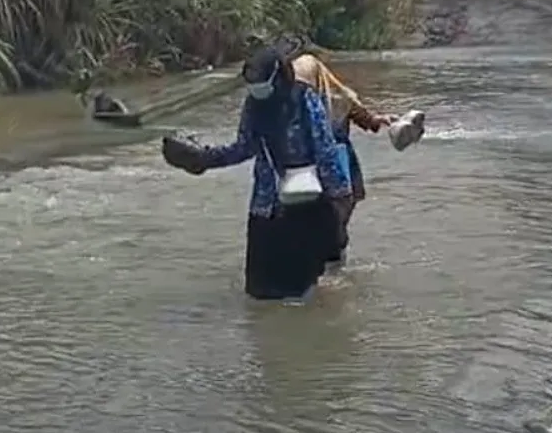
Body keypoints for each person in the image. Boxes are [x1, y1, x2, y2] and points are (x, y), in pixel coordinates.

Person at [162, 47, 353, 301]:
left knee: (304, 291)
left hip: (307, 199)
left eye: (261, 83)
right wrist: (205, 159)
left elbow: (324, 148)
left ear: (278, 76)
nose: (256, 89)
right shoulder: (254, 106)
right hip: (268, 203)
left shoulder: (303, 99)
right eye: (251, 84)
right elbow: (245, 147)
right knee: (262, 292)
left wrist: (340, 192)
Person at [289, 54, 394, 267]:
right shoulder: (292, 99)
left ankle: (335, 267)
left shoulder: (340, 97)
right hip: (310, 167)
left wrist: (382, 120)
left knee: (335, 221)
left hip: (338, 163)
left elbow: (366, 120)